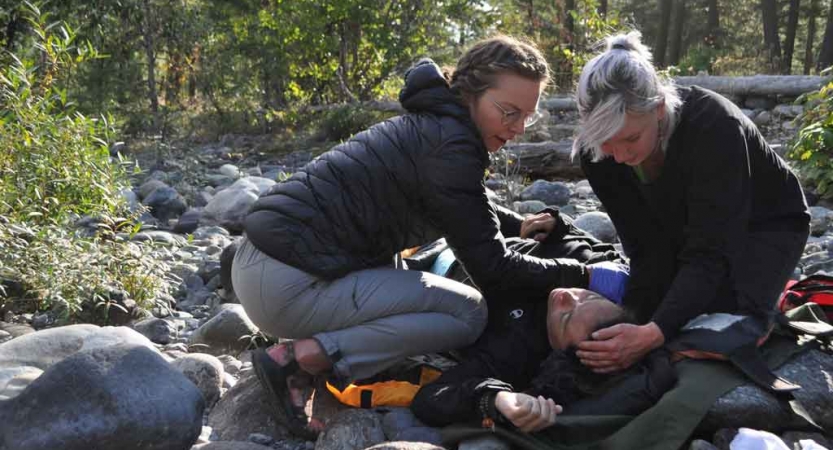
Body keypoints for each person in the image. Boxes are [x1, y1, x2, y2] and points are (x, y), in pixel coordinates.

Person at [231, 35, 629, 436]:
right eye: (508, 112)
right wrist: (588, 276)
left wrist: (517, 224)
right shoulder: (451, 147)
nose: (519, 128)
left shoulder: (438, 126)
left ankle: (311, 359)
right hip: (287, 283)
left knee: (405, 277)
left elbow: (460, 202)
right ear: (470, 93)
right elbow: (493, 269)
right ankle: (297, 362)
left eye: (528, 116)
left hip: (270, 265)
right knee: (467, 312)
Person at [571, 31, 810, 375]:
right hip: (681, 221)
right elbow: (642, 246)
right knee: (659, 305)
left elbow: (711, 251)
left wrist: (652, 334)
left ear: (658, 109)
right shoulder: (597, 154)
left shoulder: (714, 126)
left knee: (717, 323)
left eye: (631, 139)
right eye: (607, 144)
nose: (620, 155)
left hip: (765, 224)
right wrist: (635, 318)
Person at [410, 287, 675, 433]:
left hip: (430, 276)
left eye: (566, 317)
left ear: (557, 351)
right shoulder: (584, 279)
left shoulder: (511, 354)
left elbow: (429, 398)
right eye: (591, 295)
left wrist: (495, 399)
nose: (566, 296)